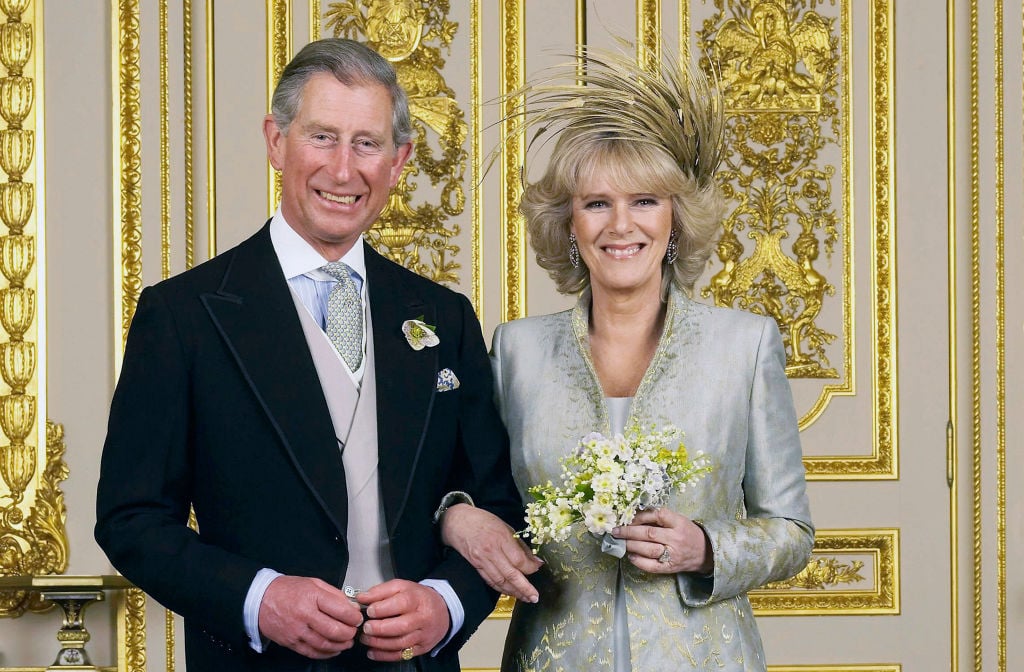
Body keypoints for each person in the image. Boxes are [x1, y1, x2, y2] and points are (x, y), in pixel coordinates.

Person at [94, 38, 528, 672]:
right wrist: (259, 598)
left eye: (367, 143)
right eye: (322, 137)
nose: (344, 170)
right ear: (277, 142)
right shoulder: (183, 316)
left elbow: (498, 504)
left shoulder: (445, 316)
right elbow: (131, 520)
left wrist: (446, 604)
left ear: (399, 161)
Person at [442, 45, 814, 671]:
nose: (620, 225)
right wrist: (457, 516)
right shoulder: (517, 352)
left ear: (676, 219)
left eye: (644, 200)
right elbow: (470, 494)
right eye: (596, 203)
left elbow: (791, 532)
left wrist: (705, 548)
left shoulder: (743, 345)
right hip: (553, 656)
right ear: (569, 224)